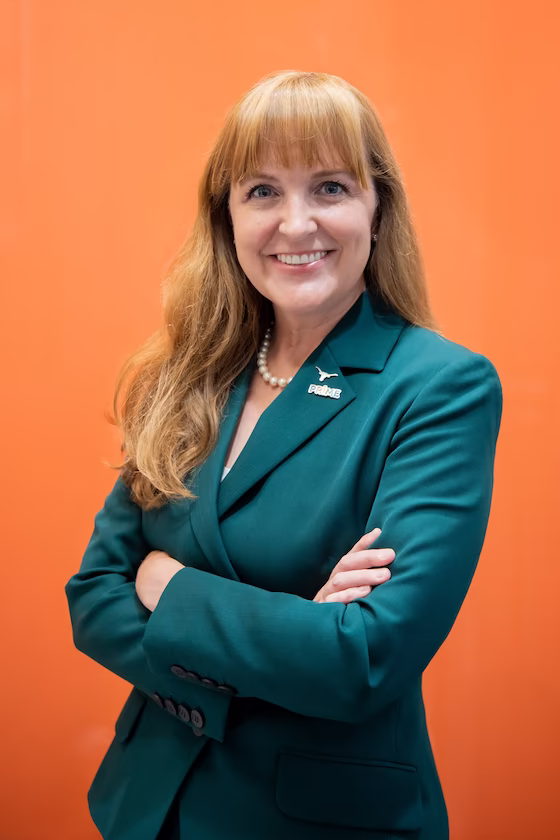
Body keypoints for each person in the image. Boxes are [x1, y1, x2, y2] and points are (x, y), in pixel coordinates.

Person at [65, 70, 502, 840]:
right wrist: (291, 636)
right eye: (262, 191)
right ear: (227, 217)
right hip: (146, 809)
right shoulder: (186, 375)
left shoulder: (439, 388)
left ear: (377, 207)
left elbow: (362, 660)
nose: (295, 224)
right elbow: (95, 597)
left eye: (330, 187)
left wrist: (169, 587)